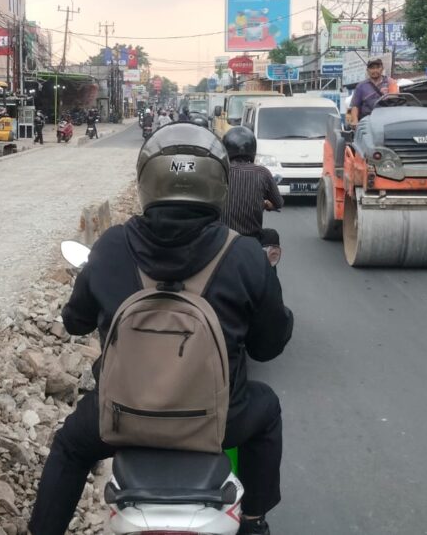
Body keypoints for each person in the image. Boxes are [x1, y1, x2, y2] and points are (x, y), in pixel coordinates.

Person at [29, 124, 294, 535]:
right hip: (217, 423)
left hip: (119, 419)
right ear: (217, 186)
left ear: (147, 183)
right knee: (267, 406)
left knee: (69, 447)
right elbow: (269, 346)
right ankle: (255, 519)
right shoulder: (244, 254)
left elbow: (74, 321)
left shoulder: (111, 247)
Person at [348, 57, 399, 122]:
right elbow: (355, 106)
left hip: (387, 120)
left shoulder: (391, 82)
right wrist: (355, 121)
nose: (375, 70)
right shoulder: (361, 86)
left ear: (382, 68)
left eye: (377, 67)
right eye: (372, 68)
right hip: (368, 121)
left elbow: (394, 101)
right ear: (367, 70)